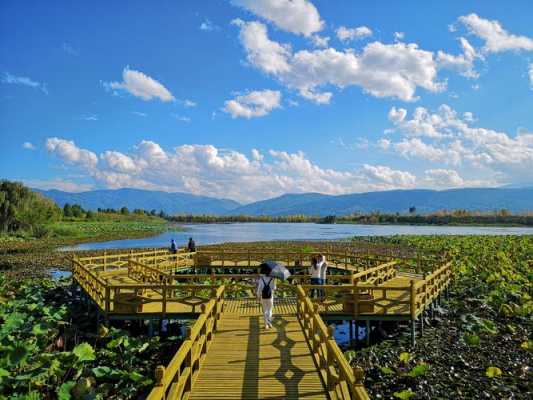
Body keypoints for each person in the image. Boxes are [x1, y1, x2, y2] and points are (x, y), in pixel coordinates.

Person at [257, 263, 277, 329]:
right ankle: (269, 323)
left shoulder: (261, 279)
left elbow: (259, 288)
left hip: (263, 296)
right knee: (270, 310)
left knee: (265, 310)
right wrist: (274, 283)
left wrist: (258, 296)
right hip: (270, 296)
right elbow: (274, 288)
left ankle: (266, 325)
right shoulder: (272, 278)